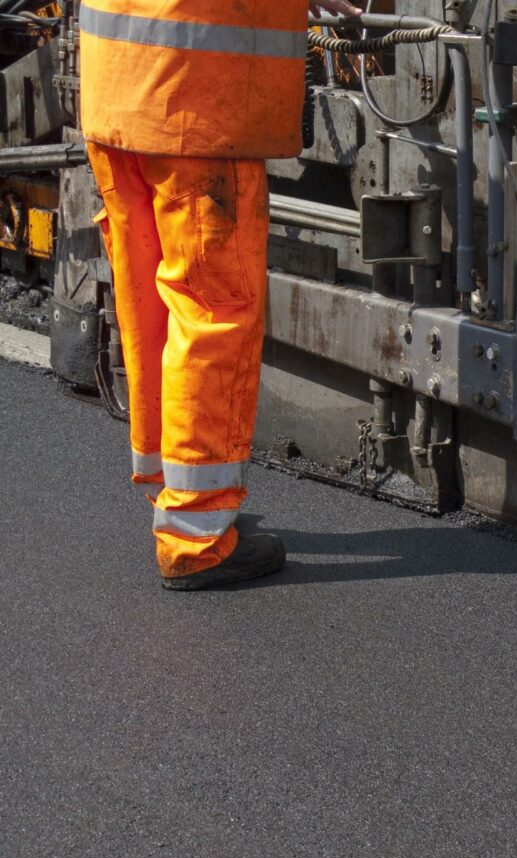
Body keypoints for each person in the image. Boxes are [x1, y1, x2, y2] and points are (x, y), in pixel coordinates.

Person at [79, 0, 359, 590]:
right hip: (197, 102)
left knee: (149, 304)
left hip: (119, 89)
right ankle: (196, 537)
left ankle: (174, 490)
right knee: (212, 309)